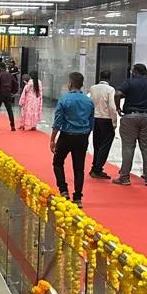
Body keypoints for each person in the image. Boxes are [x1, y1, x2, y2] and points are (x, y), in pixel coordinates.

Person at [112, 63, 147, 187]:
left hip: (130, 116)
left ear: (134, 71)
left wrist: (118, 108)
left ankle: (124, 177)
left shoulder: (129, 82)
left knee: (128, 147)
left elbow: (118, 93)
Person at [51, 72, 94, 206]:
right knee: (79, 167)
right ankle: (78, 197)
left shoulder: (64, 100)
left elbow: (58, 122)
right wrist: (86, 134)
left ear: (70, 84)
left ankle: (63, 190)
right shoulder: (89, 101)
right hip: (82, 136)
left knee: (58, 162)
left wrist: (52, 139)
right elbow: (91, 122)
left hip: (67, 135)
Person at [87, 69, 118, 180]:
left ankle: (95, 166)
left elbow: (89, 101)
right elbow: (112, 107)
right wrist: (114, 122)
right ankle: (97, 168)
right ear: (109, 78)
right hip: (106, 119)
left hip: (95, 118)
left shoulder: (93, 88)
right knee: (105, 145)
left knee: (96, 143)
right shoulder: (110, 89)